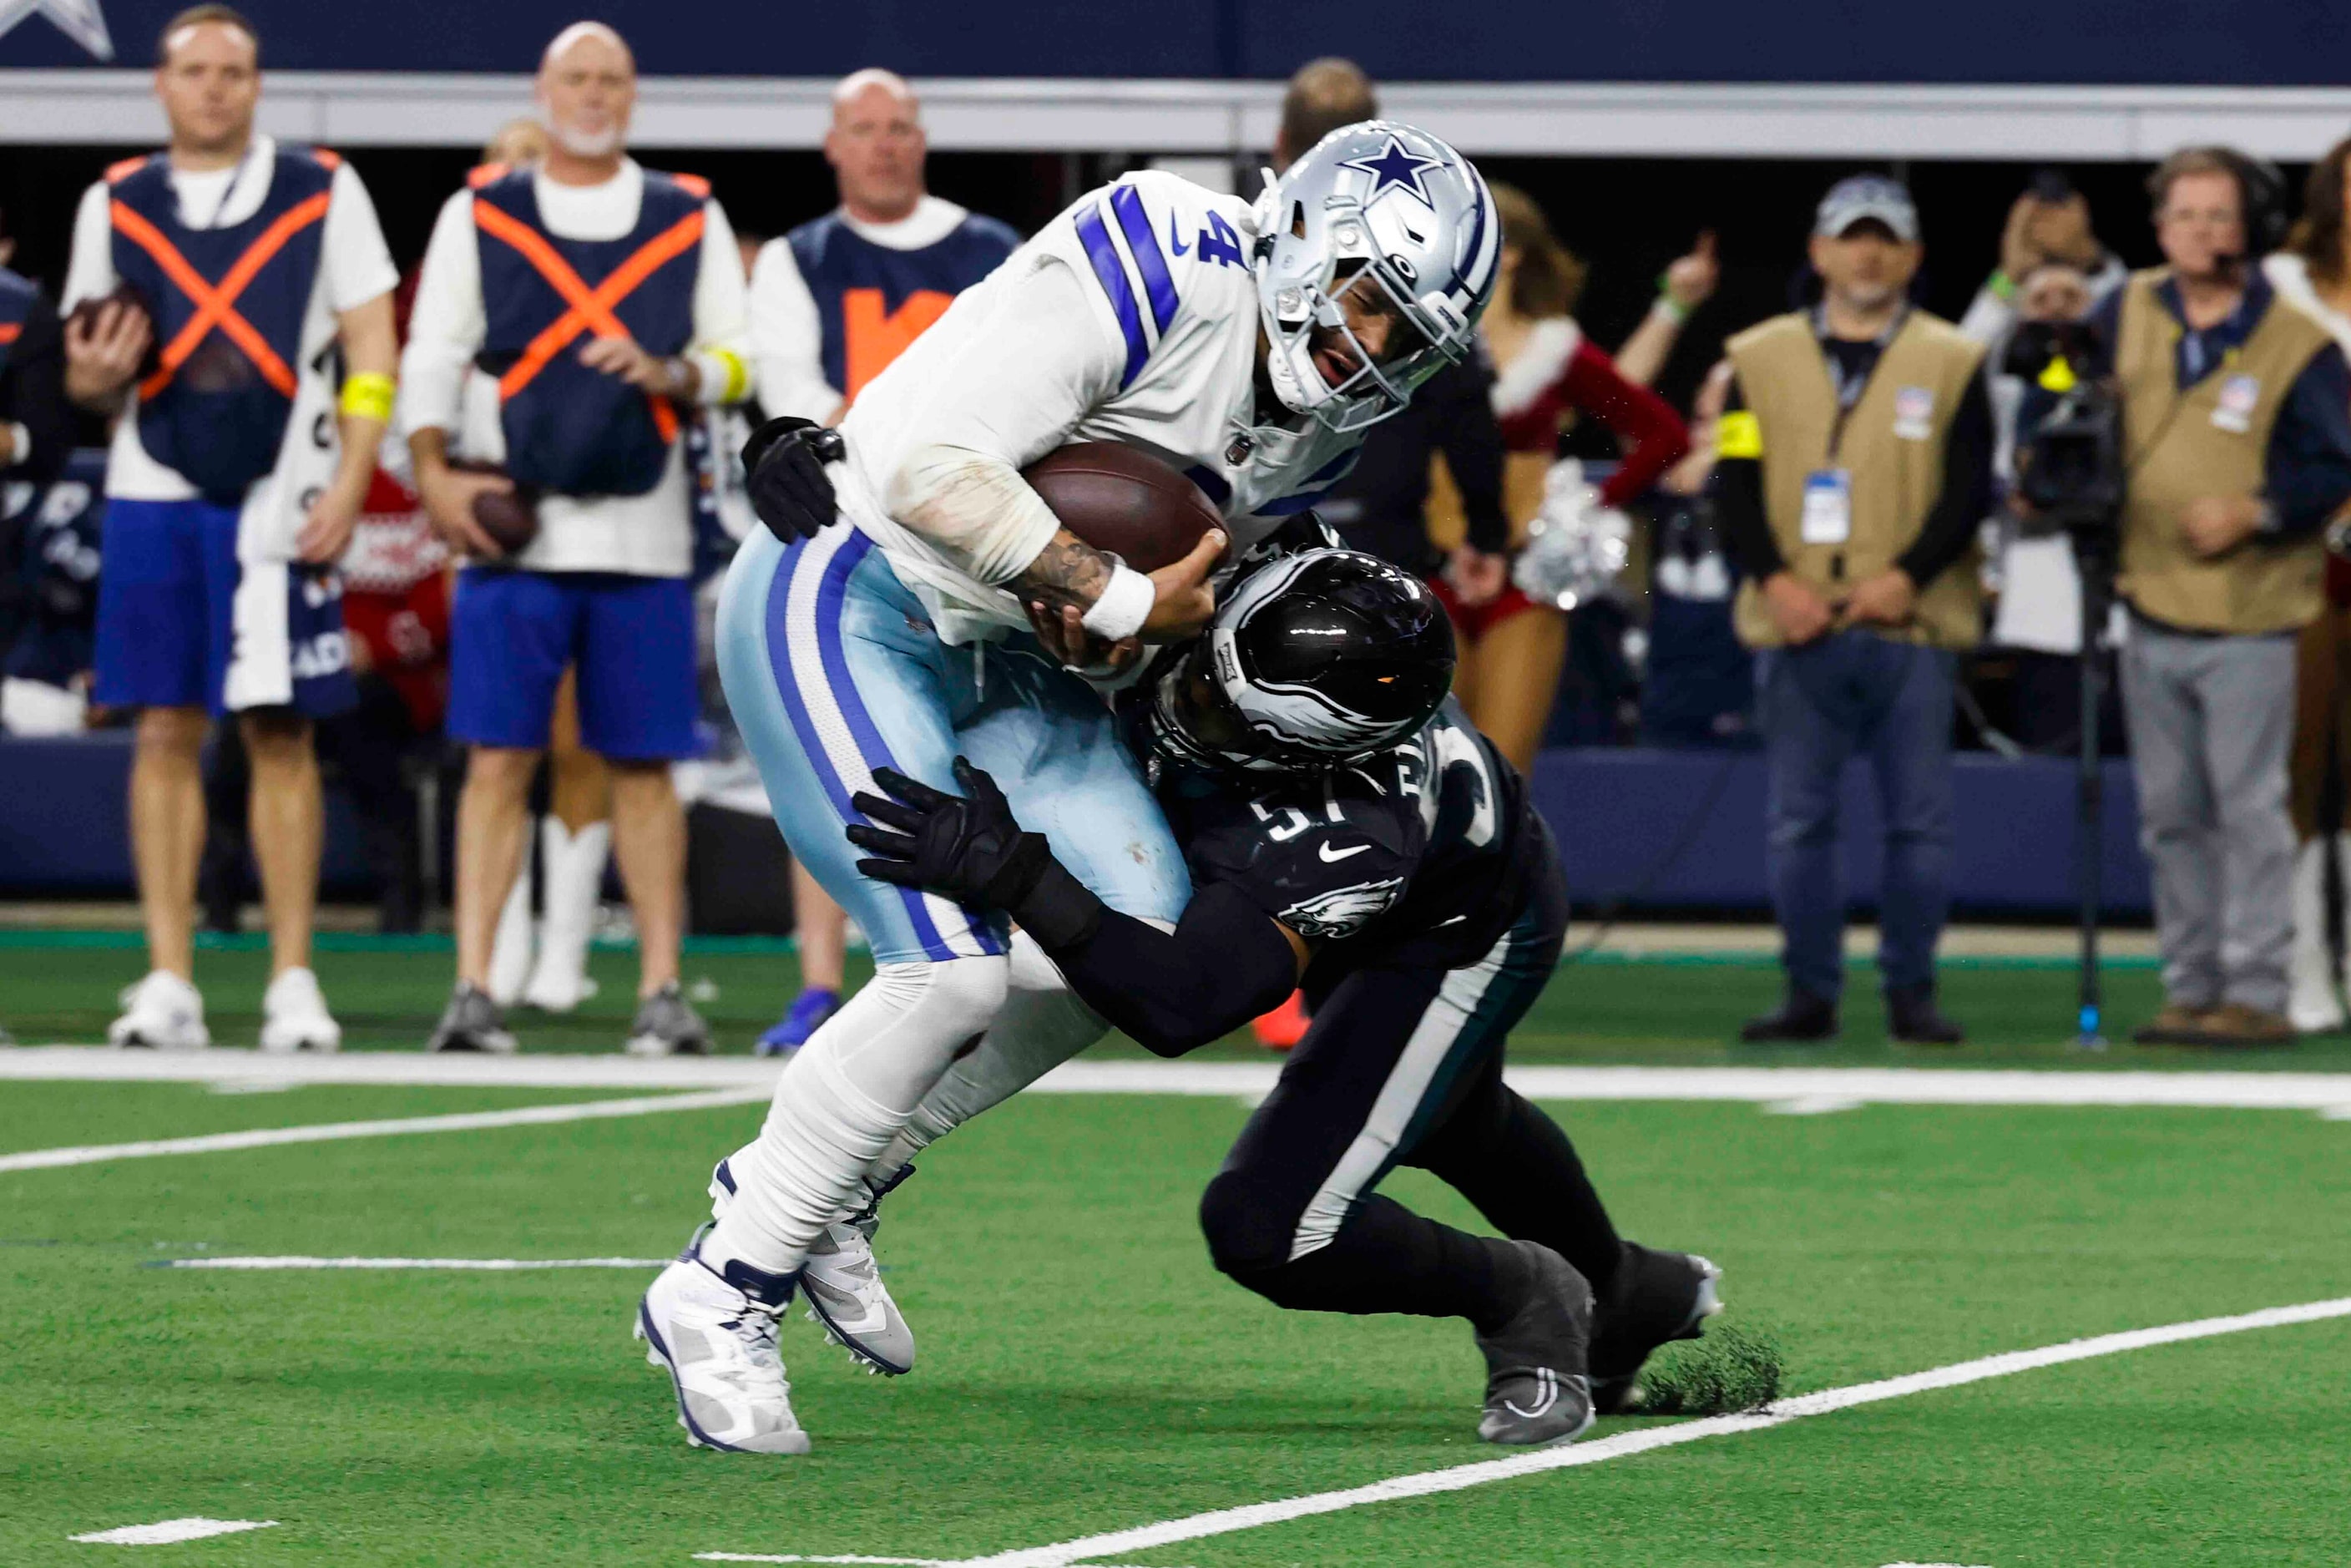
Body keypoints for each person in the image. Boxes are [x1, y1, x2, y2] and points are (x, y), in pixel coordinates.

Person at [631, 121, 1500, 1454]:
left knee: (1120, 948)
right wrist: (1113, 590)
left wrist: (1125, 619)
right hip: (855, 592)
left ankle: (825, 1183)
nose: (1370, 353)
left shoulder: (1310, 436)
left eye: (1407, 342)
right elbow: (929, 465)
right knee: (954, 974)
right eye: (1373, 305)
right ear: (1312, 241)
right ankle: (721, 1282)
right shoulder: (1167, 244)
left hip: (1018, 661)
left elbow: (1136, 582)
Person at [836, 549, 1722, 1446]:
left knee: (1274, 1225)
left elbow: (1182, 1004)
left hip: (1451, 934)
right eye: (1208, 677)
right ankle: (1627, 1292)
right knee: (1453, 1115)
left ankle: (1527, 1290)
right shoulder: (1263, 565)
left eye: (1225, 715)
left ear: (1307, 755)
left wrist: (1023, 876)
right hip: (1414, 858)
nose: (1190, 708)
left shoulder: (1342, 836)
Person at [402, 22, 752, 1055]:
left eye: (609, 79)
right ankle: (473, 985)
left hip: (642, 535)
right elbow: (433, 349)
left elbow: (735, 360)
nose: (592, 95)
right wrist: (431, 474)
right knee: (497, 762)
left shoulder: (686, 212)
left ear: (631, 94)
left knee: (645, 766)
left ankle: (659, 987)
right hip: (514, 536)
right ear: (543, 90)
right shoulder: (481, 211)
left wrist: (674, 373)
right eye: (575, 79)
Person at [64, 3, 399, 1051]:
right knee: (162, 728)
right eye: (196, 70)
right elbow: (83, 372)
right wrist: (93, 377)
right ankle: (168, 977)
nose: (215, 87)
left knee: (282, 729)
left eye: (235, 71)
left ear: (257, 86)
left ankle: (293, 978)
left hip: (281, 494)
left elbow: (369, 342)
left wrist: (349, 481)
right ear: (160, 85)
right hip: (153, 485)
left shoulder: (322, 187)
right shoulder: (113, 199)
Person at [746, 67, 1019, 1055]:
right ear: (833, 145)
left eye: (899, 126)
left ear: (922, 137)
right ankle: (821, 980)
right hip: (850, 532)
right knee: (825, 754)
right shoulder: (796, 258)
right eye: (864, 129)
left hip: (975, 544)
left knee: (985, 748)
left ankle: (992, 965)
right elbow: (792, 396)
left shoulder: (991, 251)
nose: (883, 144)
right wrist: (919, 458)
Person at [2066, 148, 2351, 1047]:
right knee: (2169, 814)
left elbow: (2336, 462)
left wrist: (2258, 509)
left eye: (2217, 216)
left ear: (2249, 226)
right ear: (2158, 229)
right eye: (2183, 215)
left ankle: (2257, 989)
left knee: (2248, 808)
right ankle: (2189, 986)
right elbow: (2067, 400)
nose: (2200, 232)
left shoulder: (2295, 342)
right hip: (2147, 600)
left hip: (2253, 610)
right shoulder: (2121, 312)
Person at [1711, 175, 1994, 1045]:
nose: (1866, 254)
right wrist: (1773, 580)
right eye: (1850, 237)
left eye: (1884, 239)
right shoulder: (1755, 357)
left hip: (1906, 622)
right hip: (1796, 620)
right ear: (1818, 252)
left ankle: (1910, 992)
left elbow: (1968, 484)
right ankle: (1808, 993)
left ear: (1909, 255)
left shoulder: (1951, 358)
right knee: (1799, 821)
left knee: (1918, 822)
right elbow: (1734, 479)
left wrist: (1905, 575)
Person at [1449, 183, 1691, 775]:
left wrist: (1589, 504)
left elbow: (1663, 434)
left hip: (1525, 582)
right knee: (1425, 771)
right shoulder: (1424, 345)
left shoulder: (1555, 350)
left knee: (1500, 775)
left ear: (1511, 255)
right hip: (1429, 572)